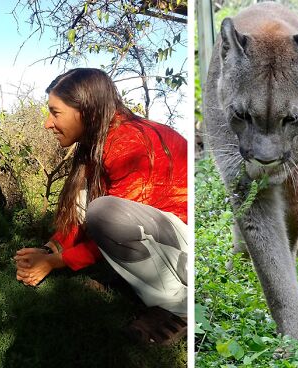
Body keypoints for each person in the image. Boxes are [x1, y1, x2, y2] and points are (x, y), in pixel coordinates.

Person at [13, 68, 188, 344]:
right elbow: (82, 210)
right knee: (89, 197)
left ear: (86, 111)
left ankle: (180, 306)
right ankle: (140, 283)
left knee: (104, 211)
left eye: (55, 113)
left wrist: (54, 264)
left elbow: (110, 225)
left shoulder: (128, 143)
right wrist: (50, 249)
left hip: (188, 242)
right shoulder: (101, 140)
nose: (48, 123)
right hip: (166, 234)